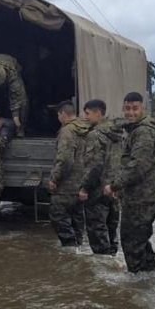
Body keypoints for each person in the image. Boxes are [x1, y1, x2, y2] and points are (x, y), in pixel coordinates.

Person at [105, 92, 155, 273]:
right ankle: (148, 276)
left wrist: (114, 185)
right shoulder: (134, 130)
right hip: (138, 195)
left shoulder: (143, 132)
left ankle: (137, 281)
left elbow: (137, 166)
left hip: (143, 197)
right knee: (139, 240)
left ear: (142, 109)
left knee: (132, 241)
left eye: (135, 108)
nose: (131, 112)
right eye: (127, 109)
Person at [78, 99, 123, 255]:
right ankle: (113, 259)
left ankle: (101, 269)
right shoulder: (118, 133)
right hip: (114, 188)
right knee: (111, 227)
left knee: (97, 229)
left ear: (98, 113)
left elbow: (94, 165)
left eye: (88, 113)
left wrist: (85, 188)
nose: (85, 117)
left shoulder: (95, 135)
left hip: (98, 189)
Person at [48, 101, 90, 247]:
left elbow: (65, 159)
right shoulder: (86, 128)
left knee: (57, 215)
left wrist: (54, 179)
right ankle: (78, 249)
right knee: (77, 218)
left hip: (66, 186)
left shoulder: (67, 131)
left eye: (58, 114)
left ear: (63, 114)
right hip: (82, 184)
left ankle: (69, 250)